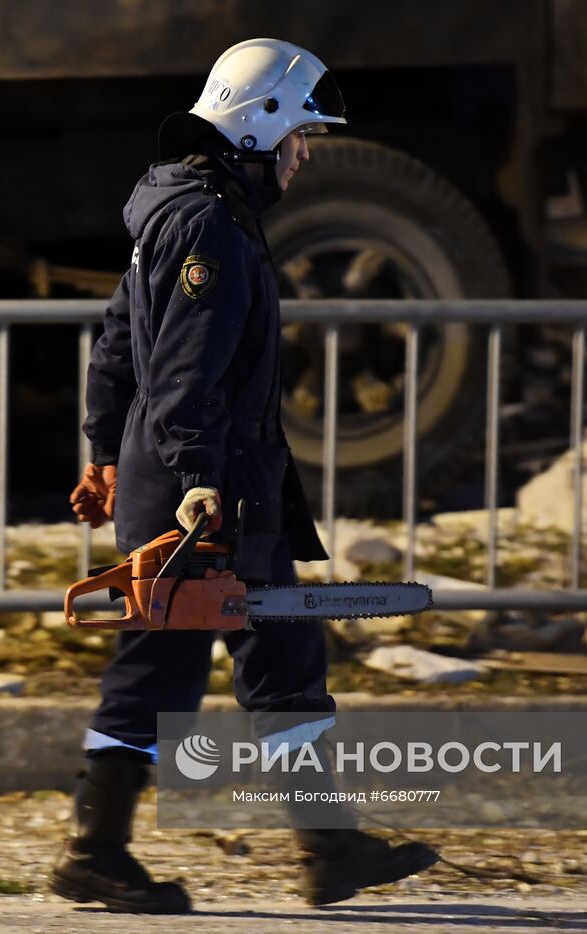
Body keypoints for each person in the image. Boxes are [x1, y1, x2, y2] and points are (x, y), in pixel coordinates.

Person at [52, 38, 439, 914]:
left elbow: (118, 342)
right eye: (302, 133)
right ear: (261, 126)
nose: (305, 152)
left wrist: (104, 449)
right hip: (203, 489)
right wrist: (188, 477)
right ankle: (94, 852)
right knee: (159, 671)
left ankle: (331, 850)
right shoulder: (209, 228)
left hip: (222, 483)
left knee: (284, 656)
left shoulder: (188, 212)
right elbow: (184, 369)